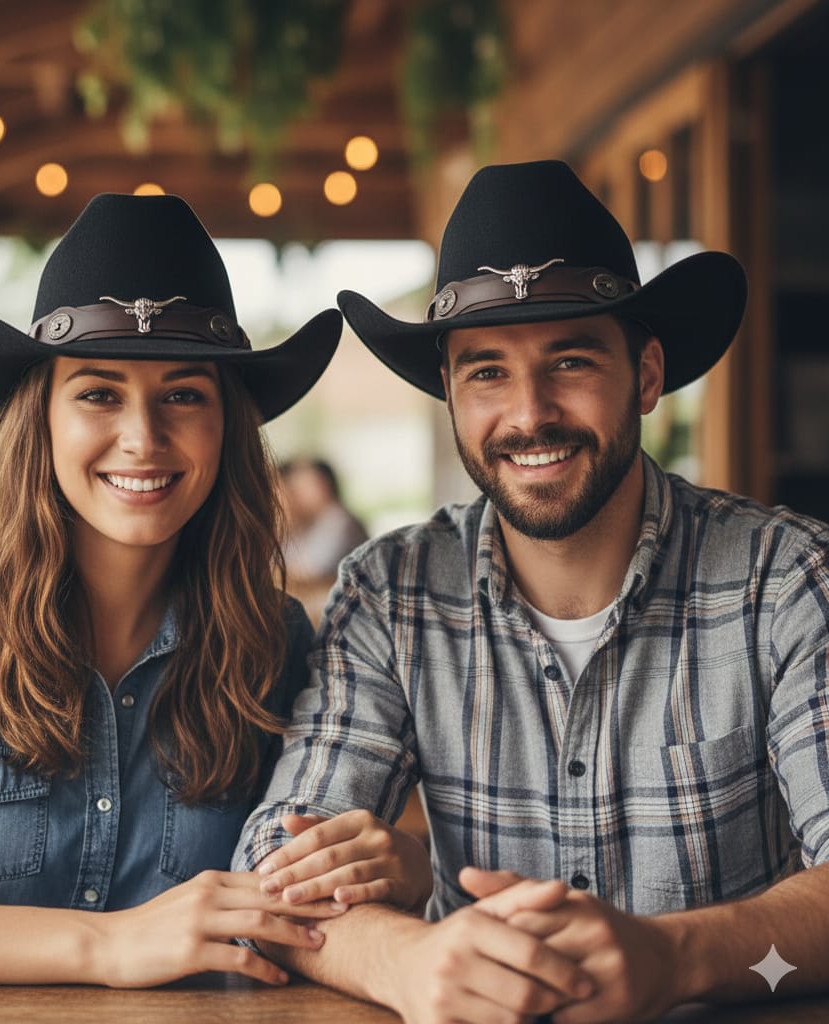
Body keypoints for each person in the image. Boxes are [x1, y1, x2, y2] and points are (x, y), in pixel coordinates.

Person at [234, 159, 829, 1022]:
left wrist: (675, 956)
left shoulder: (787, 580)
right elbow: (277, 865)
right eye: (486, 372)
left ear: (648, 373)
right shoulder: (392, 593)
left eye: (571, 360)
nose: (529, 413)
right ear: (449, 391)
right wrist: (405, 959)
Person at [0, 193, 431, 989]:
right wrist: (105, 946)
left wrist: (401, 866)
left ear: (226, 427)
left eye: (183, 395)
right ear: (44, 419)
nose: (143, 436)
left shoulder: (274, 639)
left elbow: (290, 910)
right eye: (99, 393)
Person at [278, 457, 368, 624]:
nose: (296, 493)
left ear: (322, 486)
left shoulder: (340, 521)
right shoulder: (316, 523)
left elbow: (307, 571)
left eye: (302, 486)